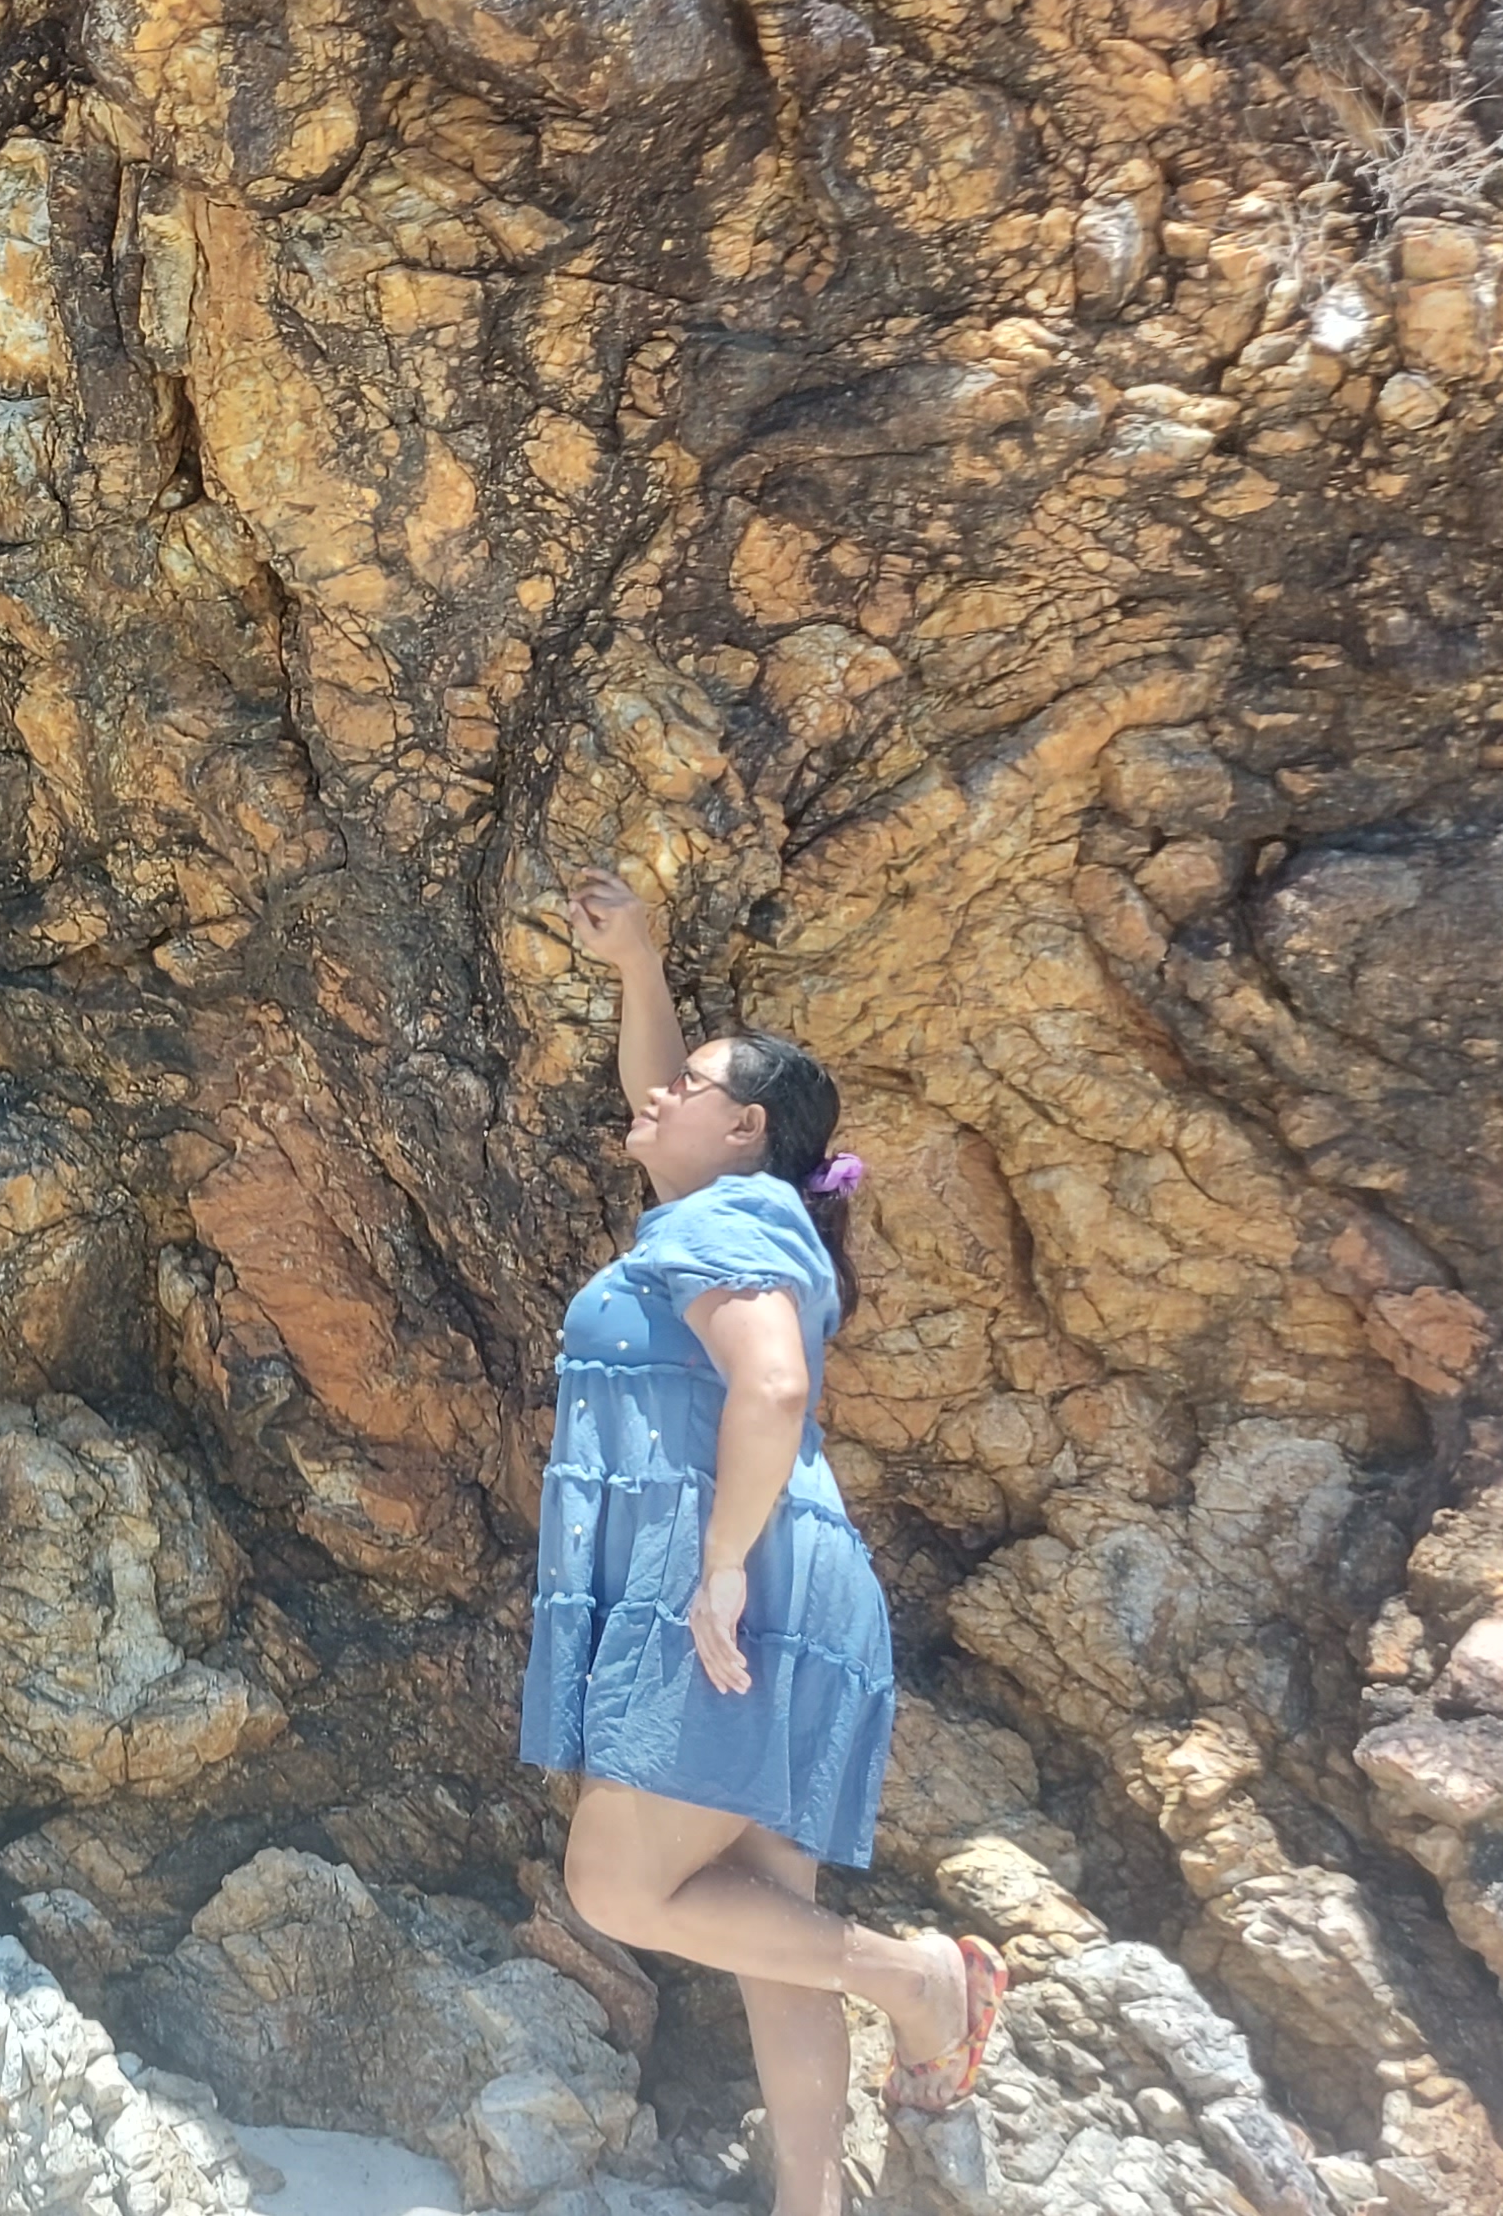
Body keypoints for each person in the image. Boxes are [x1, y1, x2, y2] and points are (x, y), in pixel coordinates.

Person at [524, 870, 1002, 2214]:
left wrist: (721, 1571)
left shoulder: (728, 1218)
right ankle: (814, 2201)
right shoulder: (728, 1204)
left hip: (744, 1587)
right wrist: (637, 964)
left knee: (615, 1882)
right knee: (770, 1924)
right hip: (786, 1585)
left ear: (745, 1130)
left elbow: (773, 1387)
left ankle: (925, 1982)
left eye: (691, 1088)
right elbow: (662, 1089)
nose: (654, 1095)